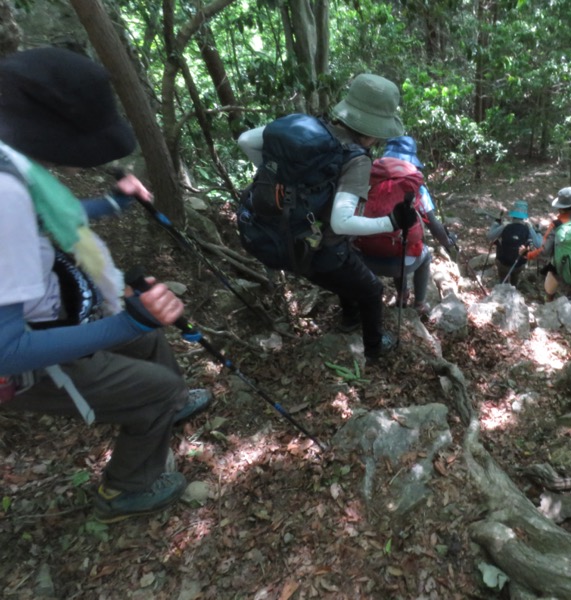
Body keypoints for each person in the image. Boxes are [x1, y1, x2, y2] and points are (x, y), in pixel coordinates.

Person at [0, 47, 211, 523]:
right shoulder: (5, 191)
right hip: (26, 362)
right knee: (150, 374)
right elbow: (6, 350)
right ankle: (125, 489)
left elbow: (47, 217)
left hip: (56, 317)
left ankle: (169, 404)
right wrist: (129, 319)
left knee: (148, 335)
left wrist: (113, 204)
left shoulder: (13, 167)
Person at [237, 74, 415, 361]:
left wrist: (279, 181)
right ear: (373, 131)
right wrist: (391, 222)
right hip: (314, 249)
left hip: (272, 234)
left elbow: (246, 140)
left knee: (347, 261)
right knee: (371, 289)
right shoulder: (356, 159)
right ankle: (374, 348)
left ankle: (349, 318)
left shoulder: (306, 129)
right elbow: (341, 222)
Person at [358, 136, 457, 316]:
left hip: (365, 260)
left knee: (400, 243)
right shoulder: (416, 187)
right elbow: (433, 225)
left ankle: (402, 295)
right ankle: (419, 304)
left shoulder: (368, 180)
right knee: (422, 254)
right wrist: (448, 242)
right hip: (400, 263)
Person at [523, 187, 571, 301]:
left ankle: (549, 302)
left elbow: (544, 252)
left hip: (562, 274)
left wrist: (527, 254)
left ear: (560, 209)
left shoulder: (557, 226)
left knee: (549, 288)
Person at [486, 200, 542, 287]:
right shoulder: (527, 229)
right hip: (519, 264)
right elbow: (539, 244)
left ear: (513, 215)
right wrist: (536, 231)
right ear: (525, 217)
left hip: (503, 263)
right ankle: (513, 286)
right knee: (515, 276)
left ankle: (502, 285)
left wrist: (497, 223)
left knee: (502, 276)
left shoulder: (505, 227)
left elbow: (490, 236)